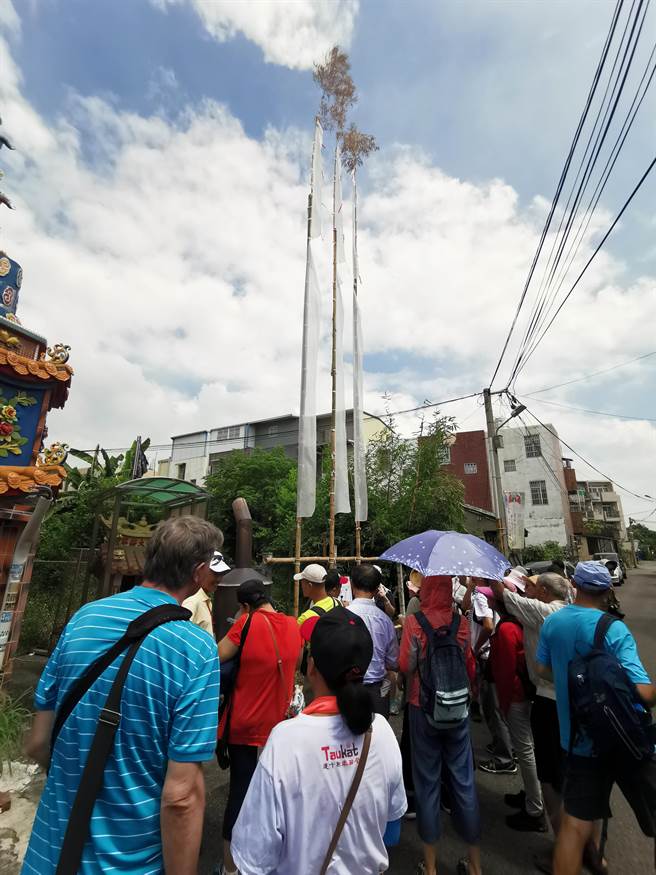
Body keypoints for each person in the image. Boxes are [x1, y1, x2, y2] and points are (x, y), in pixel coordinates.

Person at [22, 516, 222, 875]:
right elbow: (180, 796)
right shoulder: (196, 649)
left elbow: (37, 742)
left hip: (48, 856)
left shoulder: (84, 618)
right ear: (199, 572)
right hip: (129, 864)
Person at [231, 606, 407, 874]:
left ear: (311, 667)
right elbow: (392, 831)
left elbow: (254, 858)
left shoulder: (285, 740)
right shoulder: (381, 731)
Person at [537, 561, 656, 875]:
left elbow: (541, 669)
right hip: (626, 740)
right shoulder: (614, 628)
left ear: (574, 584)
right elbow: (645, 693)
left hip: (577, 743)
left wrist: (570, 679)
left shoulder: (553, 623)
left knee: (574, 828)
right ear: (607, 590)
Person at [217, 579, 302, 875]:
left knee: (240, 793)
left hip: (245, 723)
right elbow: (296, 662)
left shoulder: (245, 624)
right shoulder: (293, 625)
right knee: (276, 797)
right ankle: (270, 861)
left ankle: (230, 867)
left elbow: (216, 656)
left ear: (244, 606)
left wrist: (241, 623)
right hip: (280, 726)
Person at [399, 575, 481, 875]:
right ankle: (474, 864)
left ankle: (431, 866)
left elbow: (405, 665)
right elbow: (468, 660)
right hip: (458, 707)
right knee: (464, 782)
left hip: (423, 706)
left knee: (427, 782)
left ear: (427, 591)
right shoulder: (460, 621)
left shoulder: (414, 621)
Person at [490, 571, 569, 840]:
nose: (526, 591)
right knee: (535, 750)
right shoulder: (548, 614)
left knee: (533, 752)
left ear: (545, 592)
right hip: (538, 691)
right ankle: (534, 797)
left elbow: (504, 595)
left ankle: (537, 809)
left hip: (542, 694)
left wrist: (490, 576)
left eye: (531, 586)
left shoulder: (540, 613)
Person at [486, 575, 546, 833]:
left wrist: (505, 702)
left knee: (526, 751)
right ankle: (532, 795)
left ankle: (535, 807)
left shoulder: (509, 628)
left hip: (517, 696)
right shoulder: (519, 622)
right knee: (528, 749)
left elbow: (506, 668)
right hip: (524, 693)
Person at [466, 576, 516, 776]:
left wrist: (476, 648)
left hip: (485, 655)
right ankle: (502, 745)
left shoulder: (480, 595)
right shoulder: (485, 593)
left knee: (492, 707)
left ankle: (505, 757)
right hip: (490, 653)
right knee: (493, 705)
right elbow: (465, 606)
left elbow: (488, 625)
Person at [347, 563, 400, 718]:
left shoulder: (342, 615)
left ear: (352, 584)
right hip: (377, 691)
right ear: (377, 588)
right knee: (378, 737)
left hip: (349, 690)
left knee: (349, 739)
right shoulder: (385, 620)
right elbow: (394, 662)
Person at [182, 548, 230, 634]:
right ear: (200, 570)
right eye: (215, 573)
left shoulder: (204, 599)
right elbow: (181, 633)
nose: (219, 579)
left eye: (221, 574)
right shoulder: (193, 600)